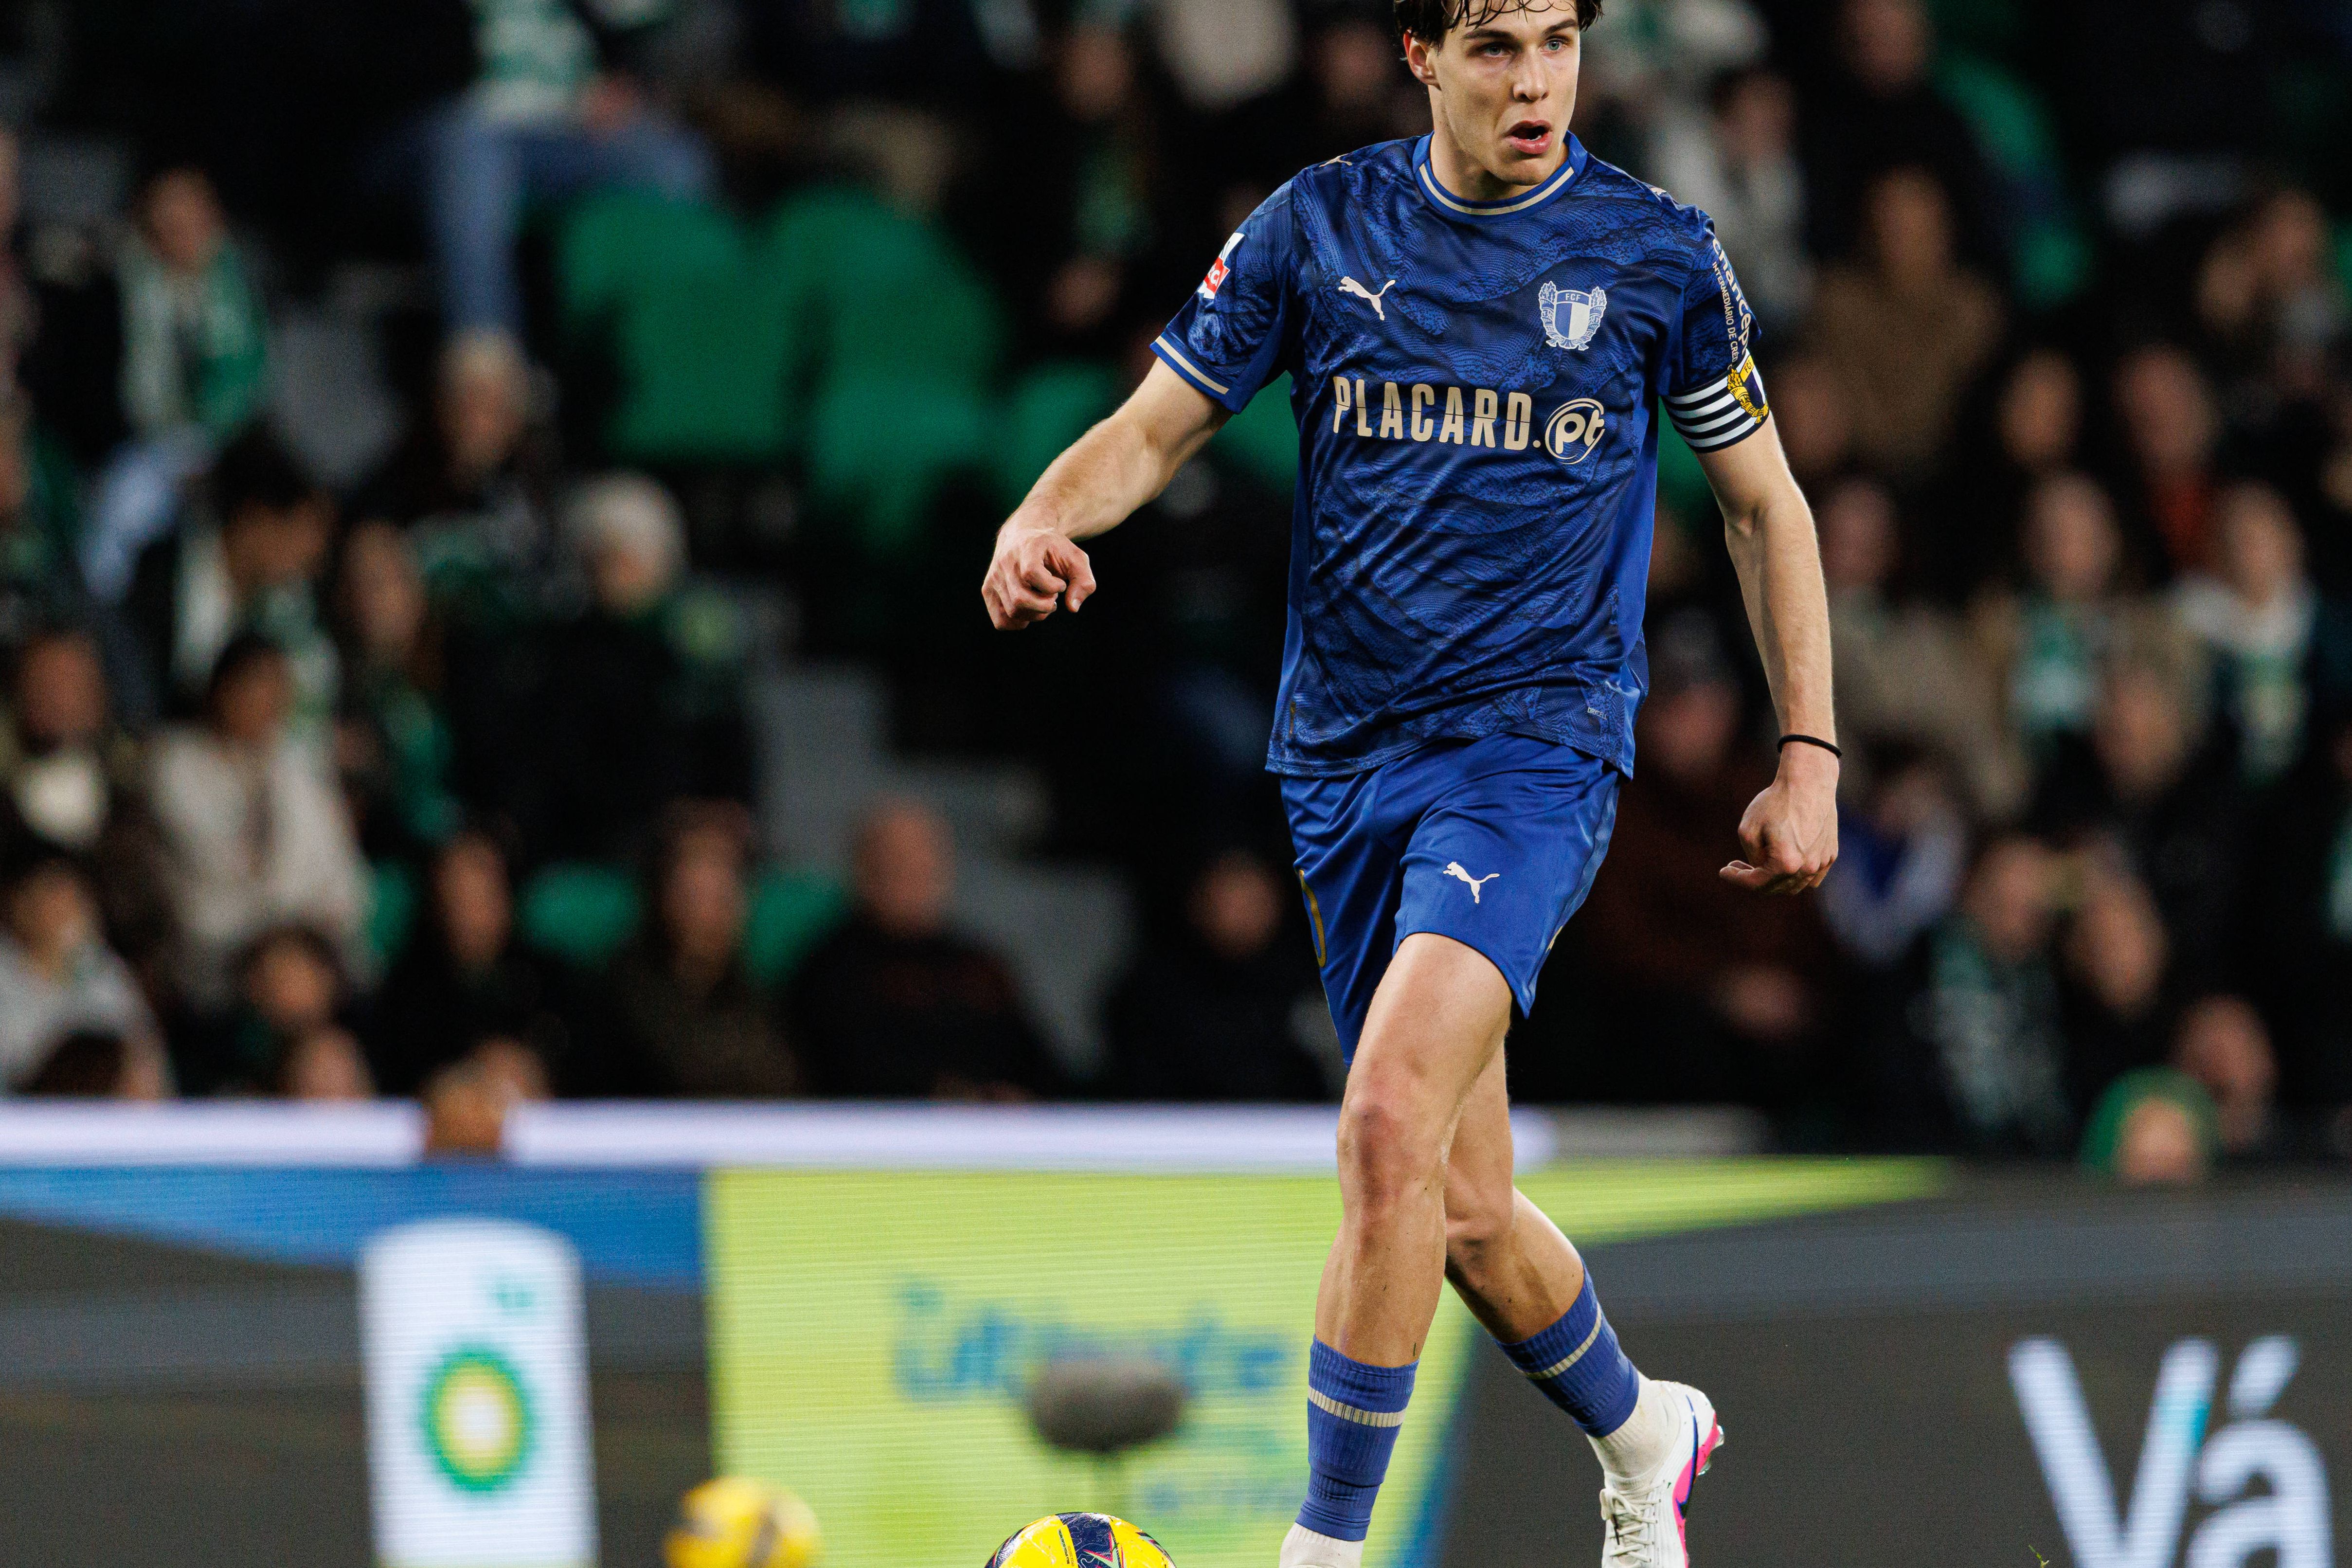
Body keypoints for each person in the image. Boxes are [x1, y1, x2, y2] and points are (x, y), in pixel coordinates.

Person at [978, 0, 1840, 1559]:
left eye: (1560, 41)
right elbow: (1158, 427)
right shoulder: (1318, 228)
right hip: (1343, 763)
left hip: (1532, 756)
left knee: (1381, 1125)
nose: (1535, 81)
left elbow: (1766, 508)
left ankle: (1320, 1554)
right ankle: (1651, 1431)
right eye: (1496, 45)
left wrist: (1807, 754)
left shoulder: (1656, 256)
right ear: (1420, 55)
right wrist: (1042, 518)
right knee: (1452, 1207)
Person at [146, 634, 366, 1011]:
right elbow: (213, 868)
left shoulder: (299, 763)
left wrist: (304, 936)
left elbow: (342, 876)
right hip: (217, 965)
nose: (266, 703)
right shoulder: (173, 762)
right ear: (221, 689)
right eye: (254, 687)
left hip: (307, 955)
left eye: (277, 690)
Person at [790, 798, 1060, 1100]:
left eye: (925, 861)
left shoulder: (980, 966)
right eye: (896, 863)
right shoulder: (829, 973)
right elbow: (843, 1072)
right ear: (862, 870)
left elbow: (1038, 1063)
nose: (914, 877)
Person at [1102, 849, 1333, 1100]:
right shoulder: (1152, 996)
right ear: (1199, 902)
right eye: (1231, 895)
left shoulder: (1312, 980)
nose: (1245, 910)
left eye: (1255, 898)